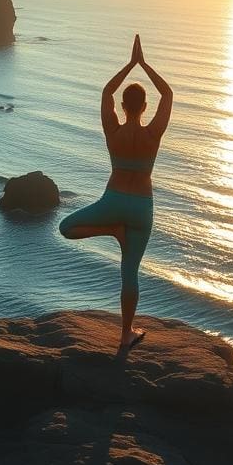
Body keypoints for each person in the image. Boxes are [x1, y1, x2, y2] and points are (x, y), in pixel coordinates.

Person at [59, 34, 173, 350]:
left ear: (123, 106)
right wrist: (145, 64)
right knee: (130, 273)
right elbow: (168, 93)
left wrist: (129, 64)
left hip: (113, 201)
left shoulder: (113, 129)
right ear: (145, 106)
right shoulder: (152, 133)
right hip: (142, 207)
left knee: (66, 227)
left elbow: (107, 91)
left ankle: (112, 230)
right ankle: (126, 334)